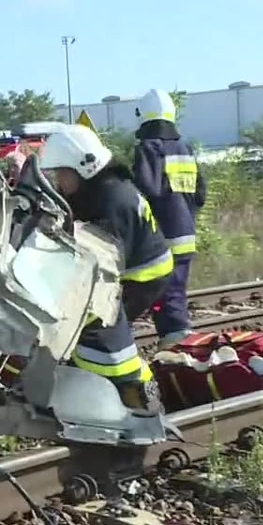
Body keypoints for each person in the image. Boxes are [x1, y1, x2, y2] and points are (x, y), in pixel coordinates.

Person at [37, 123, 172, 412]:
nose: (59, 182)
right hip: (139, 267)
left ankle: (137, 396)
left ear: (84, 167)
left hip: (143, 276)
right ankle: (96, 384)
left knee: (99, 327)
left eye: (62, 173)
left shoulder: (111, 199)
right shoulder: (101, 188)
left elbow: (99, 262)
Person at [132, 88, 207, 347]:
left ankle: (178, 342)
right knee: (175, 290)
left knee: (162, 292)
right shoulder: (185, 149)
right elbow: (201, 194)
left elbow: (145, 190)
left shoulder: (148, 148)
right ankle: (178, 337)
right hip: (187, 232)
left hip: (162, 235)